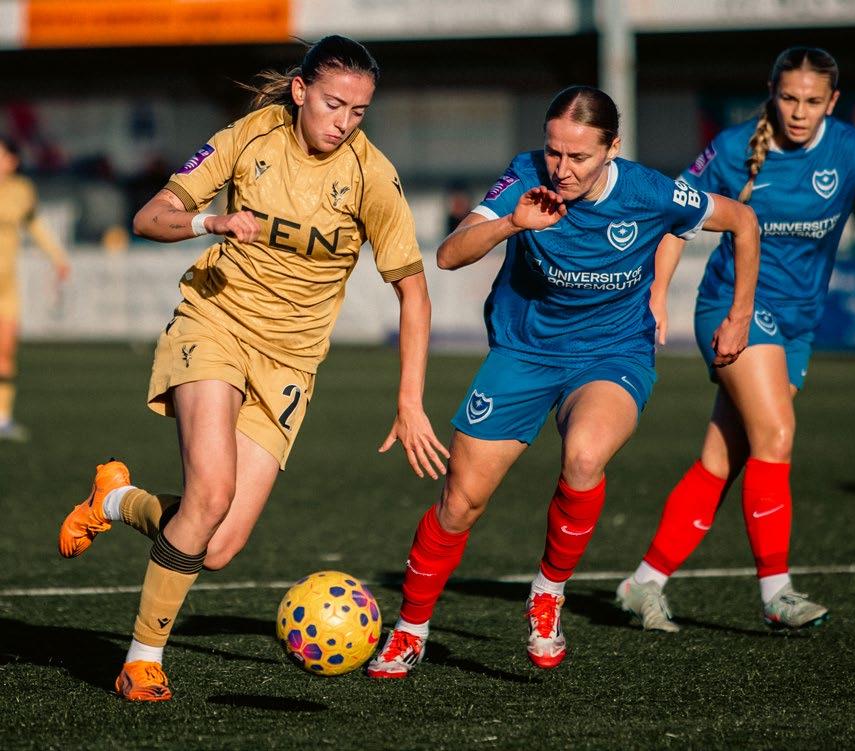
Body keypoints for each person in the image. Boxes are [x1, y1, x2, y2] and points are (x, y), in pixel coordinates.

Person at [57, 35, 448, 701]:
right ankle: (142, 660)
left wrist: (410, 402)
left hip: (290, 363)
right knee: (210, 494)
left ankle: (114, 500)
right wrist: (210, 223)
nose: (344, 122)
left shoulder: (372, 176)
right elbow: (152, 216)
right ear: (300, 91)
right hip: (215, 323)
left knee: (215, 547)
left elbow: (414, 292)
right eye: (333, 104)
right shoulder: (249, 137)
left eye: (358, 111)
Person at [366, 85, 760, 679]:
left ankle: (548, 593)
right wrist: (511, 223)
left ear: (612, 148)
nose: (562, 168)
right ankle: (411, 628)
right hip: (522, 352)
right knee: (460, 502)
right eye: (554, 151)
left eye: (579, 156)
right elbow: (448, 255)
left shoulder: (651, 192)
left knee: (584, 457)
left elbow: (743, 220)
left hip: (612, 353)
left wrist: (739, 313)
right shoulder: (525, 176)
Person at [616, 47, 855, 632]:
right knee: (776, 434)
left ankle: (643, 581)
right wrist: (657, 294)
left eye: (812, 101)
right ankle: (777, 593)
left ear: (833, 101)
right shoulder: (732, 148)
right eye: (788, 98)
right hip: (733, 310)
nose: (799, 112)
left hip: (799, 324)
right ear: (771, 93)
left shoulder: (851, 150)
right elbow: (674, 220)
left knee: (724, 458)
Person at [0, 136, 70, 441]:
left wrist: (57, 257)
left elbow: (34, 225)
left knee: (5, 352)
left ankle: (2, 418)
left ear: (12, 161)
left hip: (6, 287)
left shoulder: (22, 190)